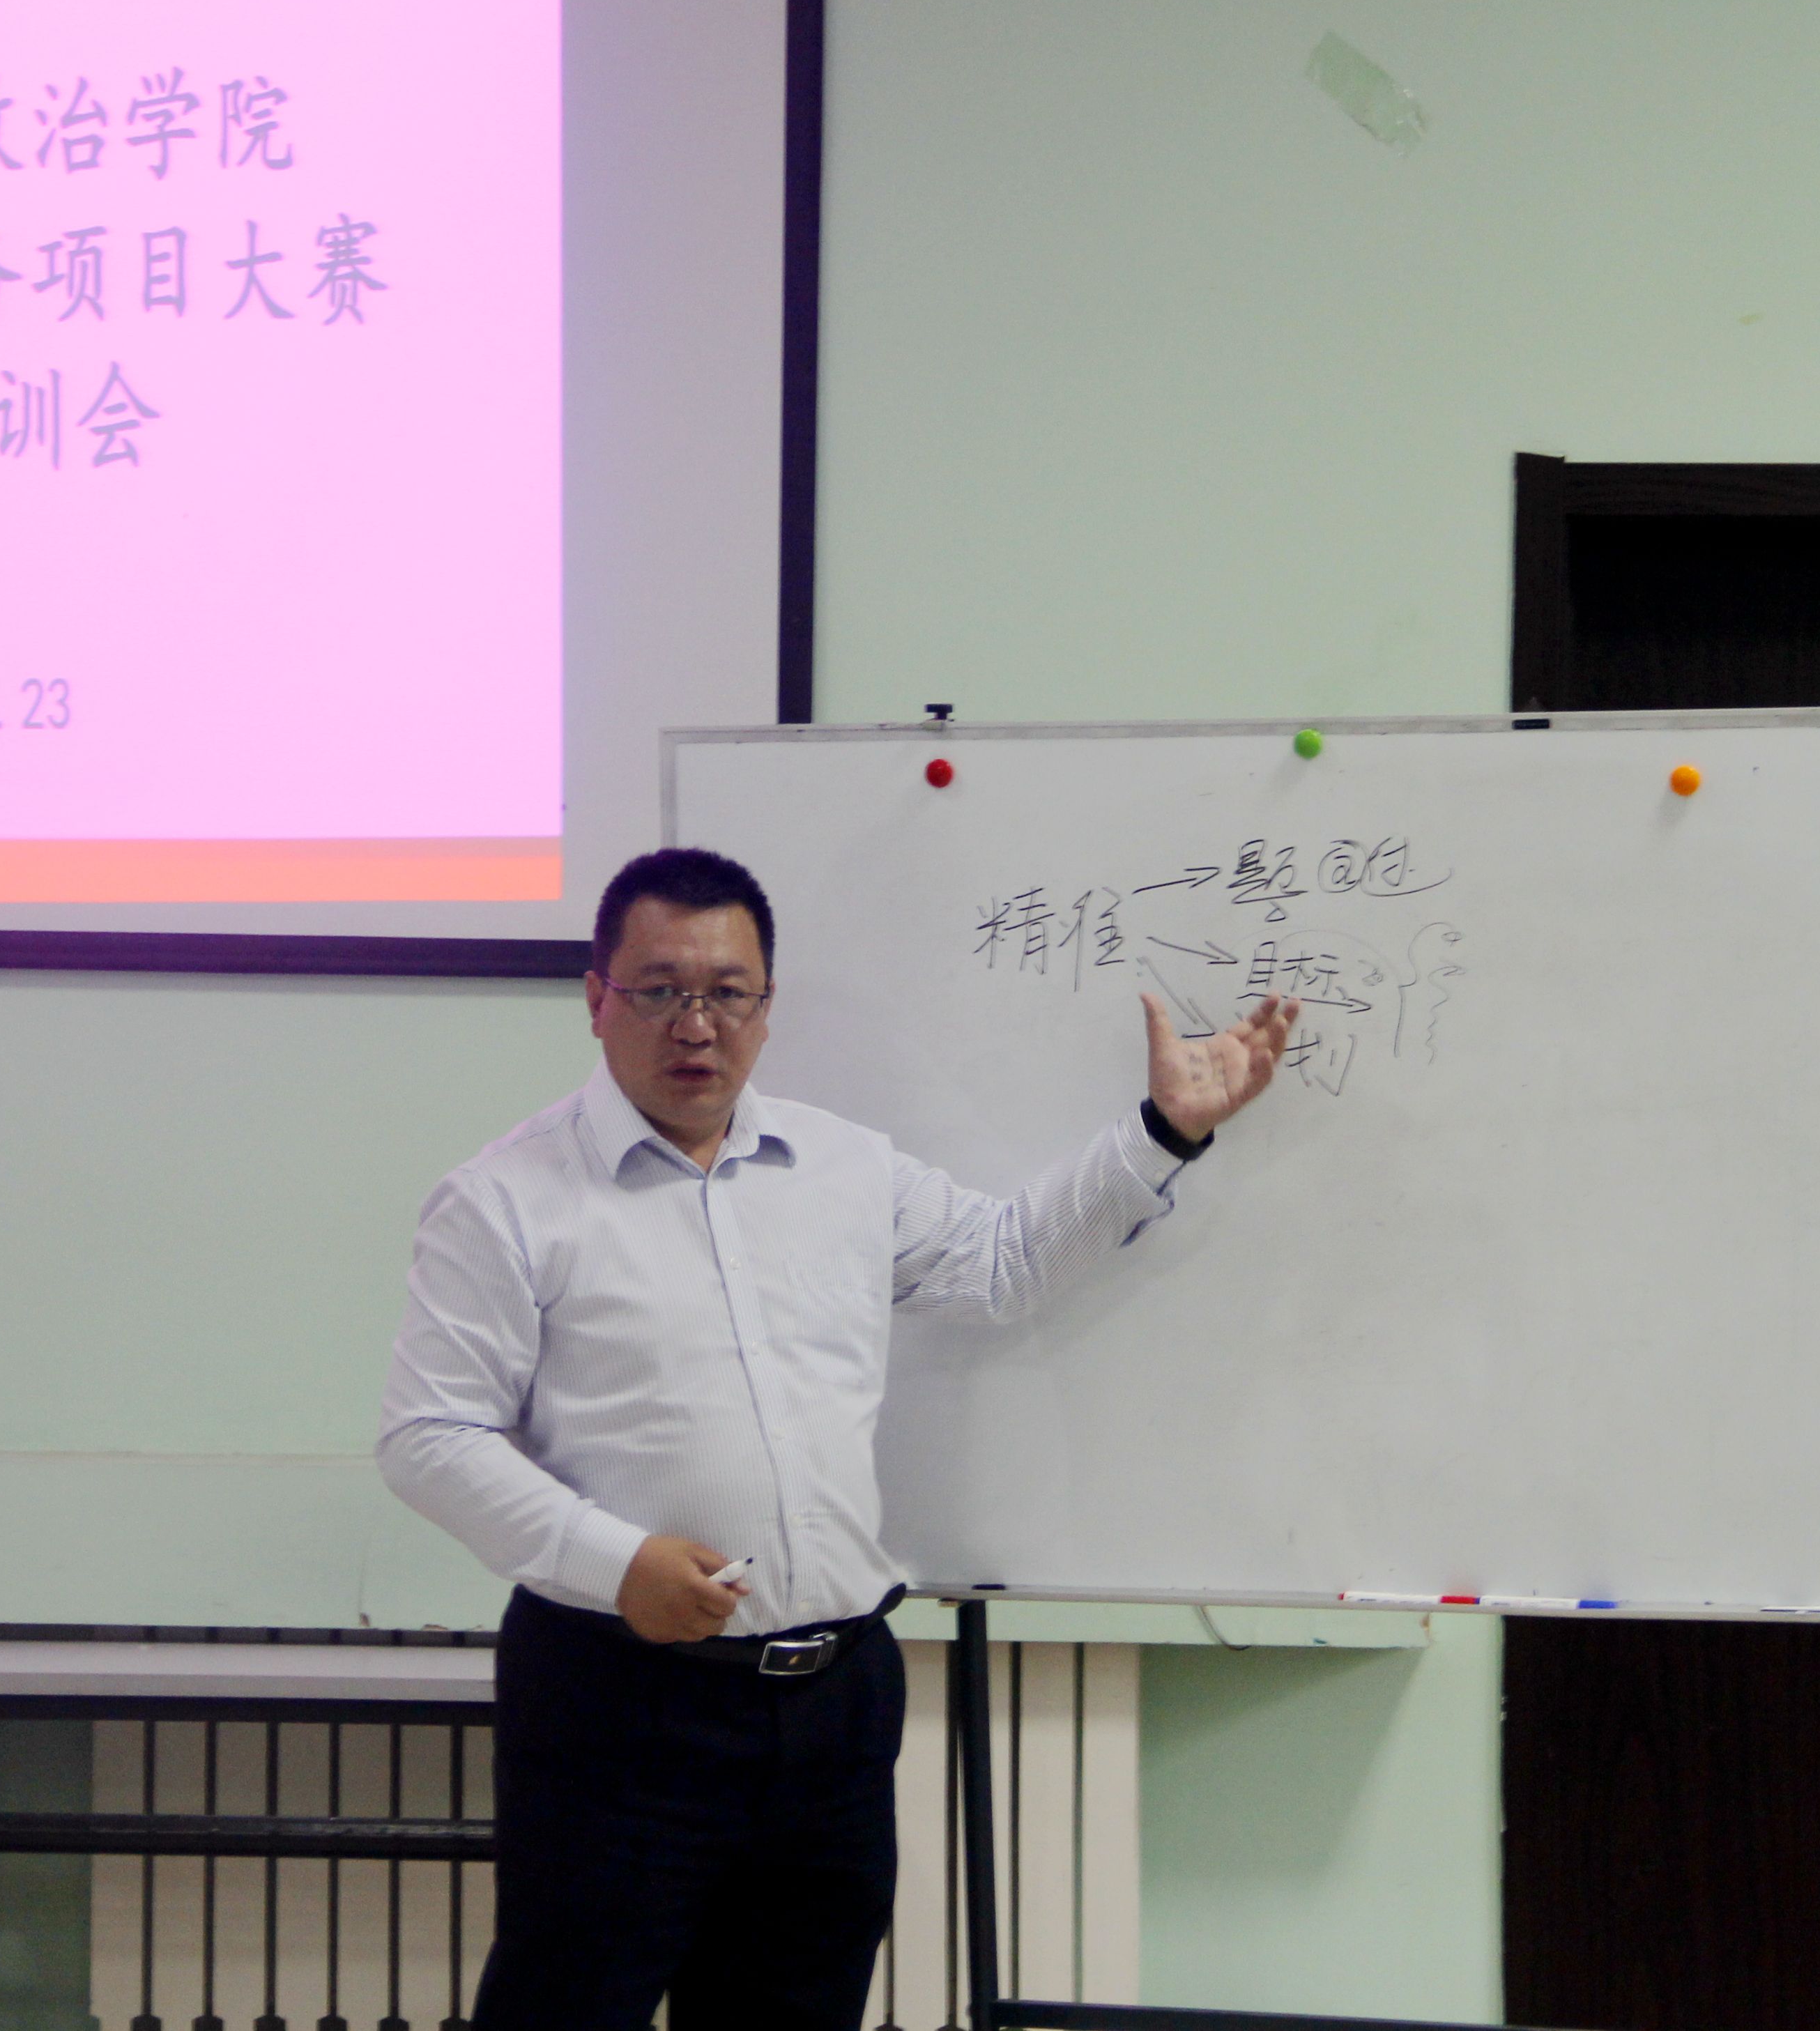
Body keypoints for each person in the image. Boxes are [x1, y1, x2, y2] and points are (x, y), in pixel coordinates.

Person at [377, 847, 1301, 2029]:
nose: (696, 1024)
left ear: (768, 1006)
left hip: (833, 1707)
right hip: (621, 1701)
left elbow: (1003, 1261)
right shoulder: (505, 1198)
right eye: (659, 990)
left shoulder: (846, 1168)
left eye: (729, 992)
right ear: (596, 997)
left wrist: (1163, 1130)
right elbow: (430, 1434)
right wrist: (616, 1562)